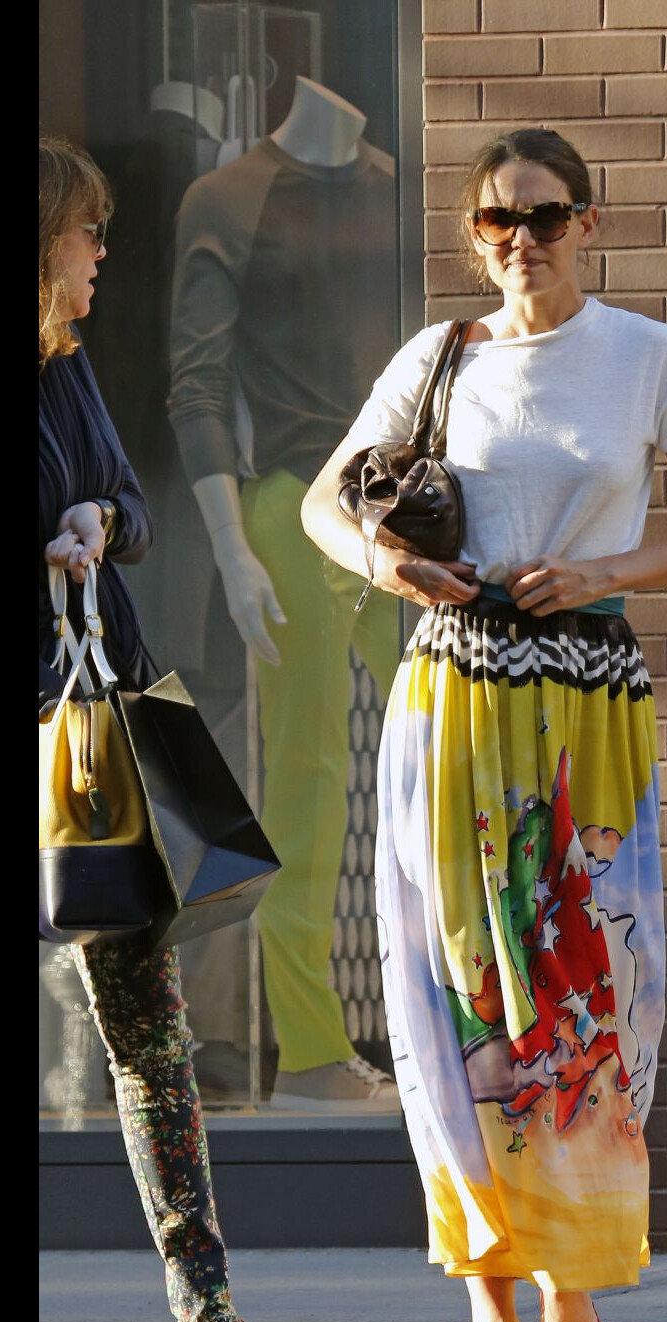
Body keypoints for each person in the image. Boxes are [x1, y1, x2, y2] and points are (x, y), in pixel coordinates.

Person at [301, 127, 667, 1322]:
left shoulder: (644, 355)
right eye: (497, 224)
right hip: (454, 695)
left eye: (546, 218)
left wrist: (610, 569)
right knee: (464, 988)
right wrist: (388, 567)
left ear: (590, 224)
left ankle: (574, 1267)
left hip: (589, 706)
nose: (522, 244)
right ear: (473, 237)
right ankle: (490, 1310)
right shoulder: (437, 358)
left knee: (587, 990)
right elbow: (324, 506)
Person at [39, 134, 311, 1322]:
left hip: (98, 732)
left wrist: (102, 523)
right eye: (87, 234)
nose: (103, 255)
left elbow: (135, 504)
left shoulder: (69, 365)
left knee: (151, 1032)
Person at [166, 76, 403, 1112]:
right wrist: (230, 548)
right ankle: (309, 1049)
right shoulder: (230, 194)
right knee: (309, 776)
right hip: (296, 514)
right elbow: (199, 382)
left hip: (410, 516)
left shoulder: (409, 189)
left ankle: (473, 1024)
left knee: (451, 757)